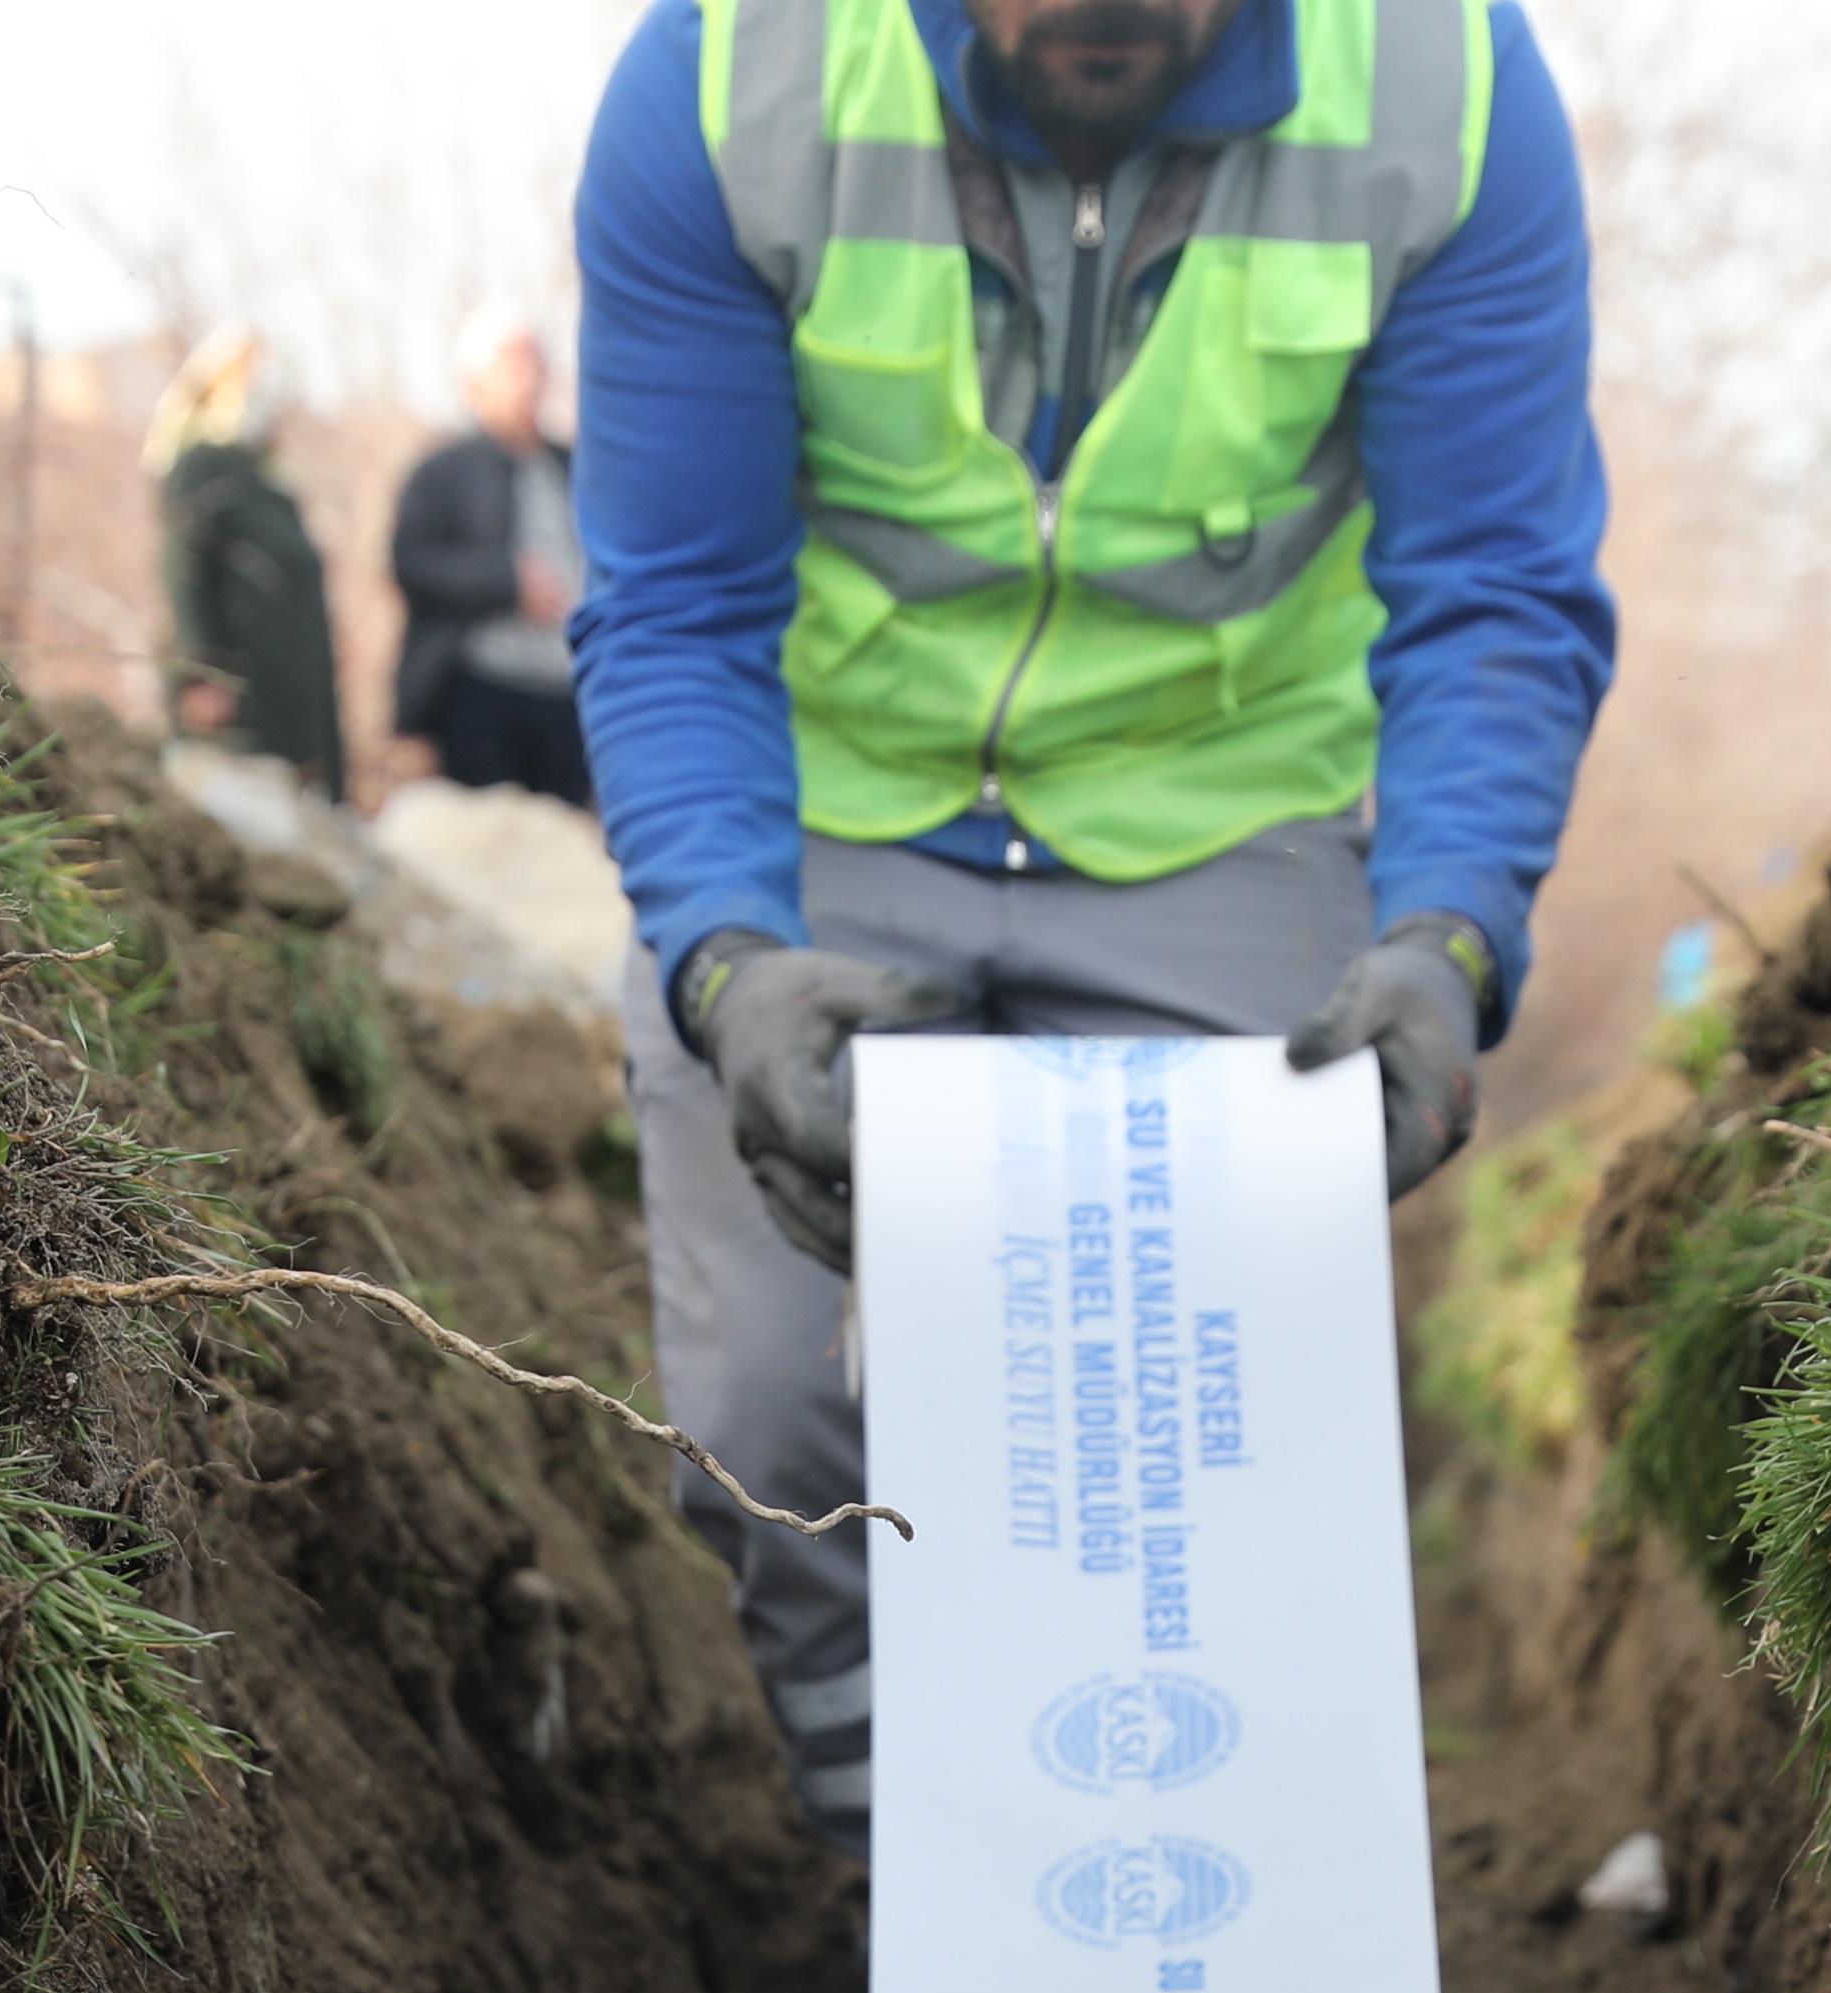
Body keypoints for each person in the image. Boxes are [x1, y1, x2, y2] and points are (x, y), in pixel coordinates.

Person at [574, 0, 1613, 1858]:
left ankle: (1205, 1992)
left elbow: (1494, 594)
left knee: (1194, 1444)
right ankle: (920, 1943)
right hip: (828, 821)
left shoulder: (1447, 88)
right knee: (771, 1416)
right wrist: (724, 960)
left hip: (1211, 818)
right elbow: (673, 606)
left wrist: (1450, 935)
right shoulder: (733, 80)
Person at [387, 309, 596, 805]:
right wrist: (508, 582)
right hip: (482, 688)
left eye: (534, 364)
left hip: (566, 690)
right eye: (510, 366)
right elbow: (410, 563)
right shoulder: (443, 471)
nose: (526, 380)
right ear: (475, 381)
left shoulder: (574, 468)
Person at [147, 328, 351, 802]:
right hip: (241, 704)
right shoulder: (203, 466)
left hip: (294, 699)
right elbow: (184, 569)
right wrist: (203, 677)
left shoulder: (272, 484)